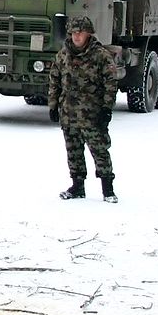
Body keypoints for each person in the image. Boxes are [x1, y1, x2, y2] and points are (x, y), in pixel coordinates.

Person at [47, 15, 119, 203]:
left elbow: (111, 82)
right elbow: (55, 80)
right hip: (68, 113)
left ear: (88, 33)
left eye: (80, 33)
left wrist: (106, 108)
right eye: (73, 33)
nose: (76, 37)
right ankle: (77, 186)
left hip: (92, 115)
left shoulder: (100, 55)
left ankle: (107, 189)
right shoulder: (63, 54)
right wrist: (53, 105)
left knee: (99, 150)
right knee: (73, 151)